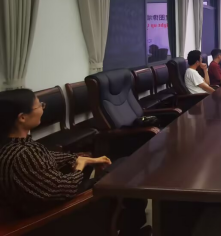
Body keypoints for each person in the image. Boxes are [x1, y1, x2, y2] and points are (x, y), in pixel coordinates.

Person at [0, 89, 149, 235]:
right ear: (22, 117)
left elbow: (49, 157)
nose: (43, 108)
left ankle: (132, 223)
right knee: (126, 168)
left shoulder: (14, 146)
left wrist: (83, 159)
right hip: (57, 216)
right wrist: (79, 167)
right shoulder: (23, 155)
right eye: (40, 105)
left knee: (117, 164)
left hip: (49, 201)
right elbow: (64, 189)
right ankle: (132, 229)